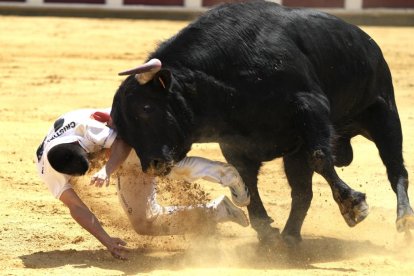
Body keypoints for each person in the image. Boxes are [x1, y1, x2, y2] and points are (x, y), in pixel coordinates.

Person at [36, 108, 250, 260]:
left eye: (91, 159)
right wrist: (106, 240)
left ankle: (223, 173)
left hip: (140, 131)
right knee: (144, 223)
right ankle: (218, 212)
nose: (93, 162)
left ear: (80, 146)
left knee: (158, 164)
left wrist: (107, 169)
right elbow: (76, 207)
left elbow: (124, 141)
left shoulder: (85, 129)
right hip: (122, 153)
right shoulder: (49, 170)